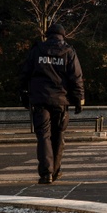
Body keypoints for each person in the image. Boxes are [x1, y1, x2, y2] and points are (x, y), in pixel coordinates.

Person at [20, 24, 84, 184]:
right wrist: (79, 99)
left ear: (47, 35)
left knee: (43, 136)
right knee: (58, 135)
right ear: (63, 36)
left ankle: (46, 173)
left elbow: (25, 74)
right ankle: (55, 171)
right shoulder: (69, 52)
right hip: (60, 101)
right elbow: (76, 78)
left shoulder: (37, 50)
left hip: (40, 100)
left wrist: (23, 95)